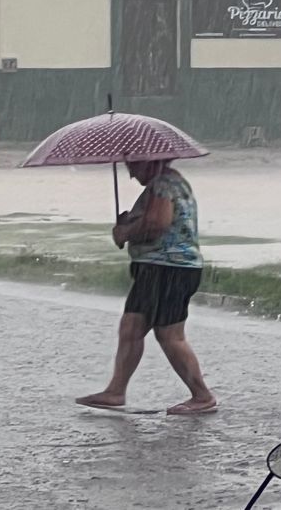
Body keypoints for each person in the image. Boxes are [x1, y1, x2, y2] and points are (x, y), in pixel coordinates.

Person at [76, 158, 217, 415]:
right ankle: (116, 391)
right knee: (131, 326)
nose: (131, 174)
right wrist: (128, 224)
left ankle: (202, 396)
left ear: (152, 161)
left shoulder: (164, 184)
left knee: (169, 334)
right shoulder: (163, 184)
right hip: (157, 269)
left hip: (169, 268)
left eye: (134, 166)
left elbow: (157, 224)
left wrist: (125, 232)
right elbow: (154, 221)